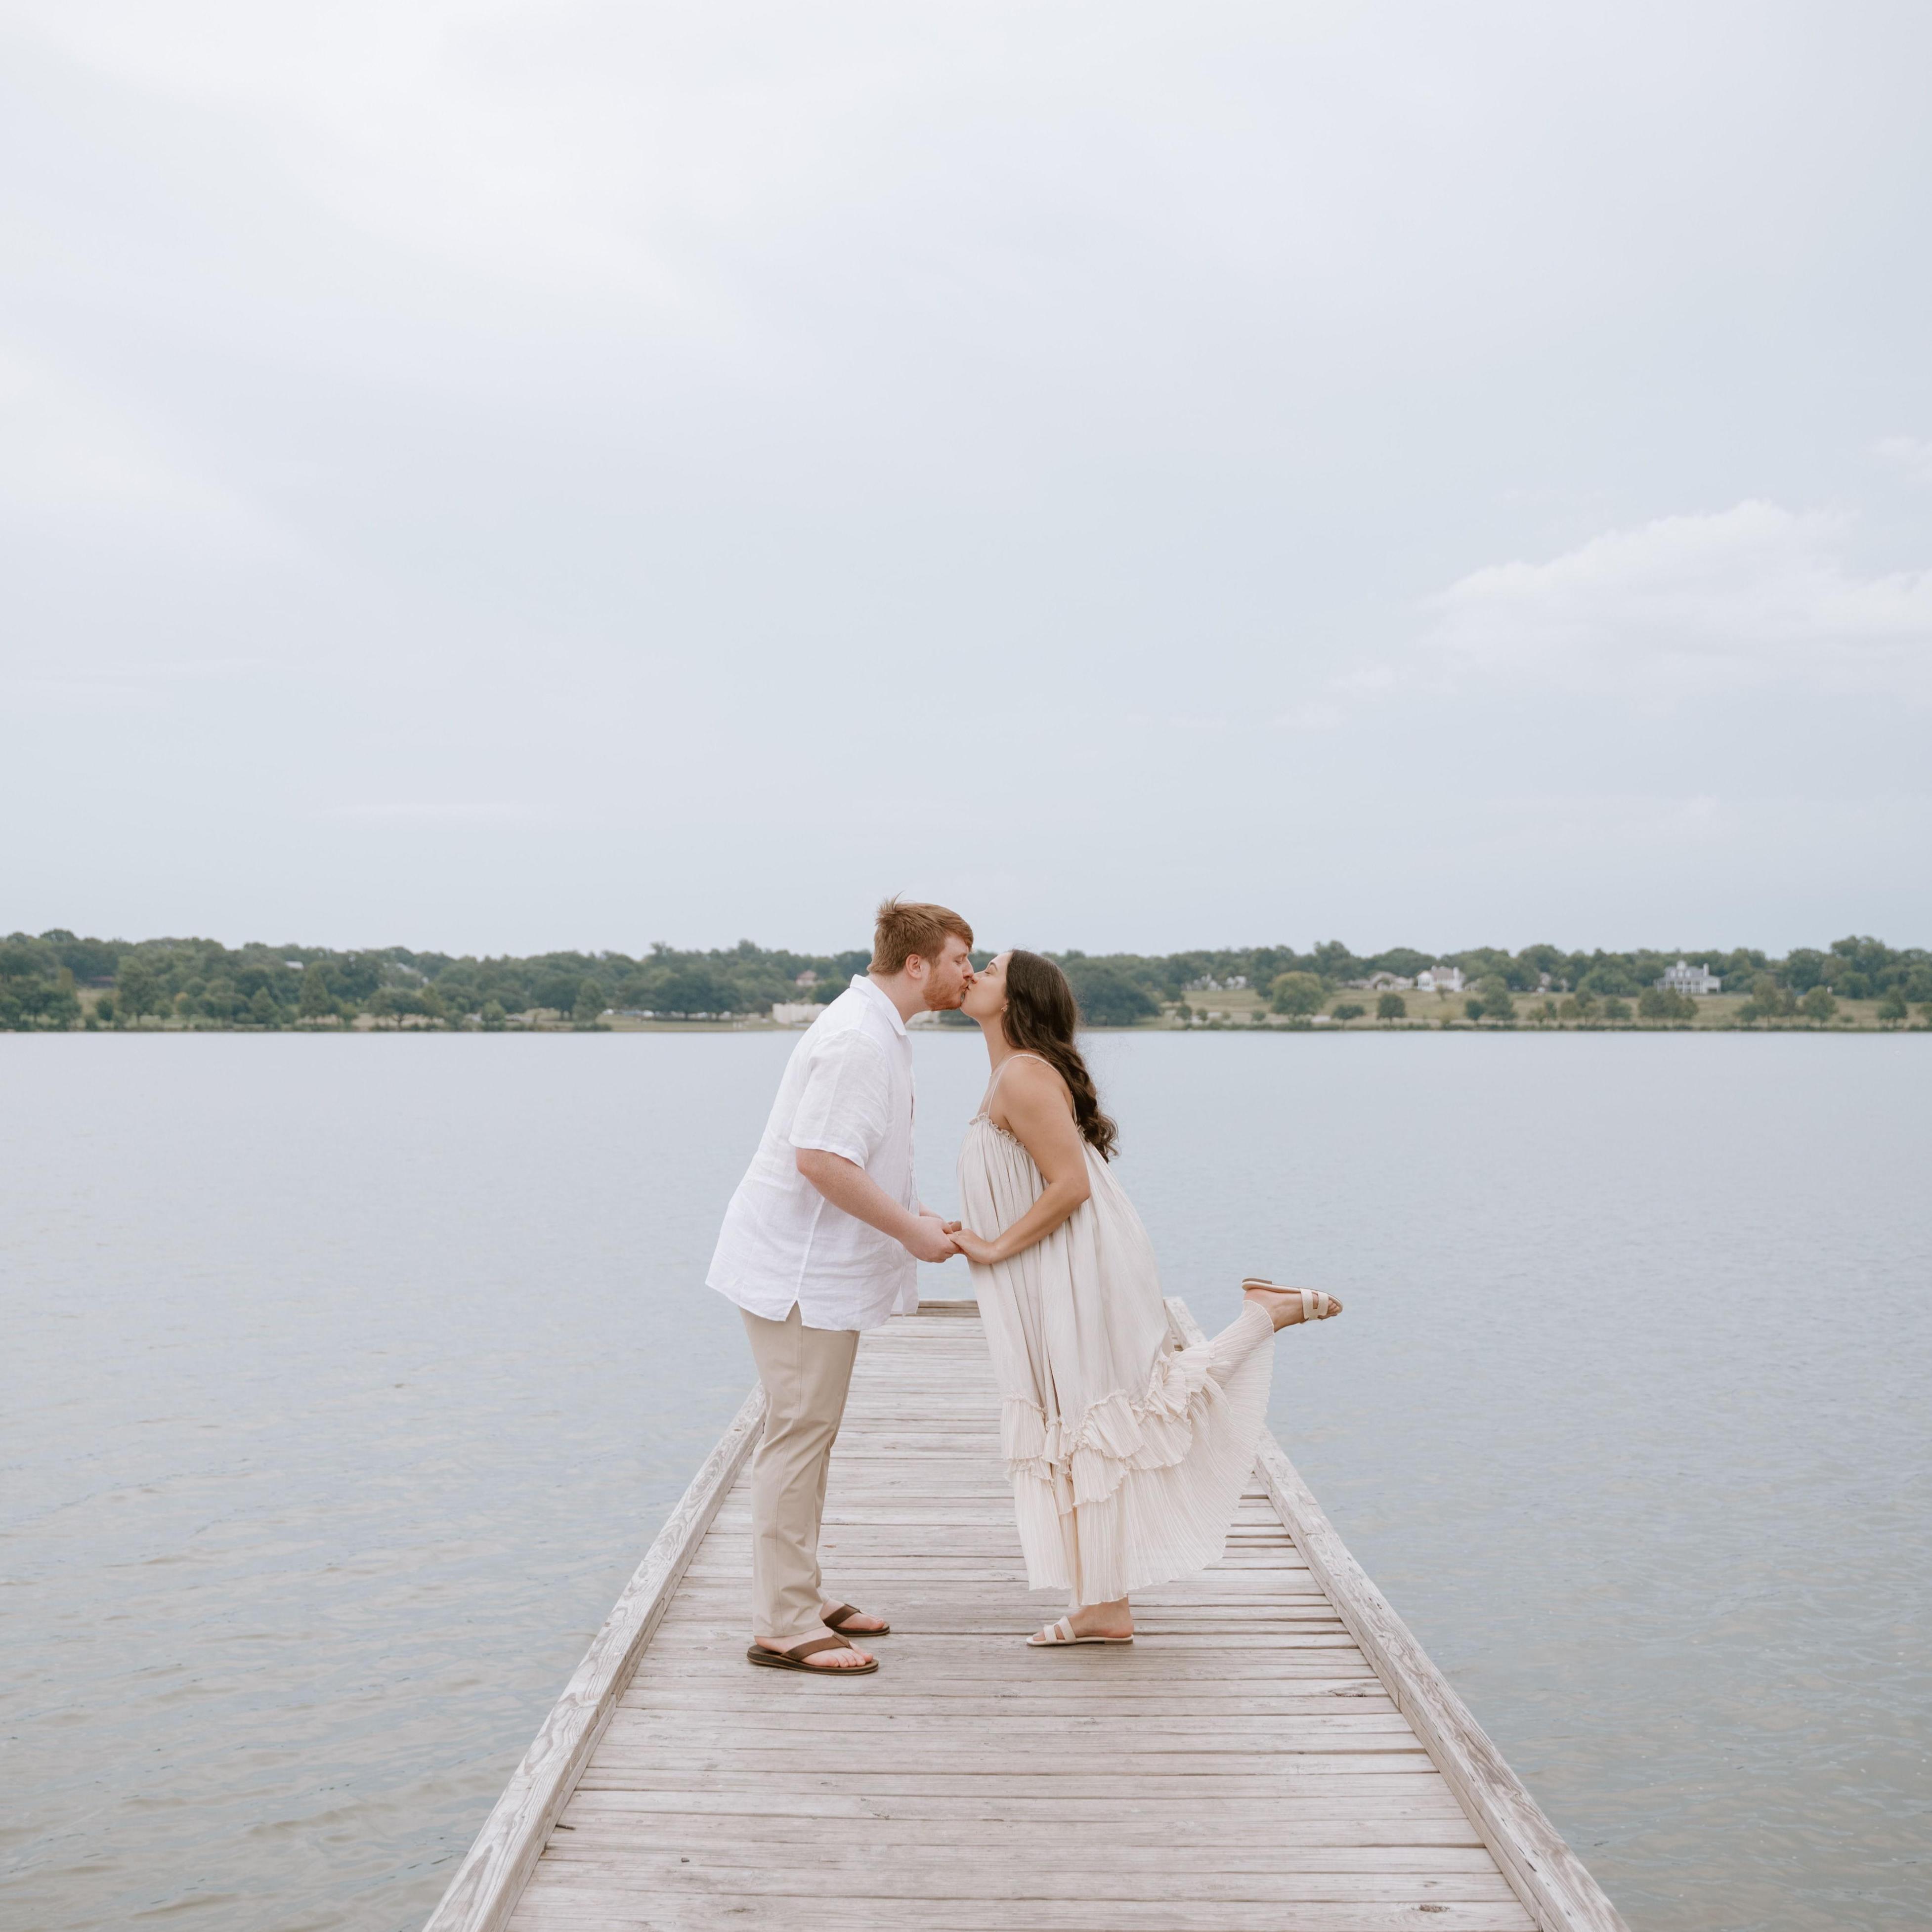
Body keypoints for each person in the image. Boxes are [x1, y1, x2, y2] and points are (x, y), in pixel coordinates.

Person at [949, 949, 1342, 1645]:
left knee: (1107, 1410)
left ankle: (1263, 1314)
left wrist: (992, 1247)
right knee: (1081, 1414)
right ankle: (1104, 1604)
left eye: (991, 968)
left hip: (1079, 1258)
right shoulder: (1010, 1073)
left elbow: (1070, 1186)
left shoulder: (1023, 1074)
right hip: (1053, 1260)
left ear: (1014, 999)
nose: (974, 972)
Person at [706, 898, 973, 1675]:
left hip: (811, 1266)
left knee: (809, 1431)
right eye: (960, 958)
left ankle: (799, 1591)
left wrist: (917, 1213)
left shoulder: (877, 1028)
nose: (968, 972)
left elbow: (860, 1155)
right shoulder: (858, 1038)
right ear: (917, 964)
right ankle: (784, 1622)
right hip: (797, 1270)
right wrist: (910, 1233)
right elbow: (821, 1160)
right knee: (798, 1432)